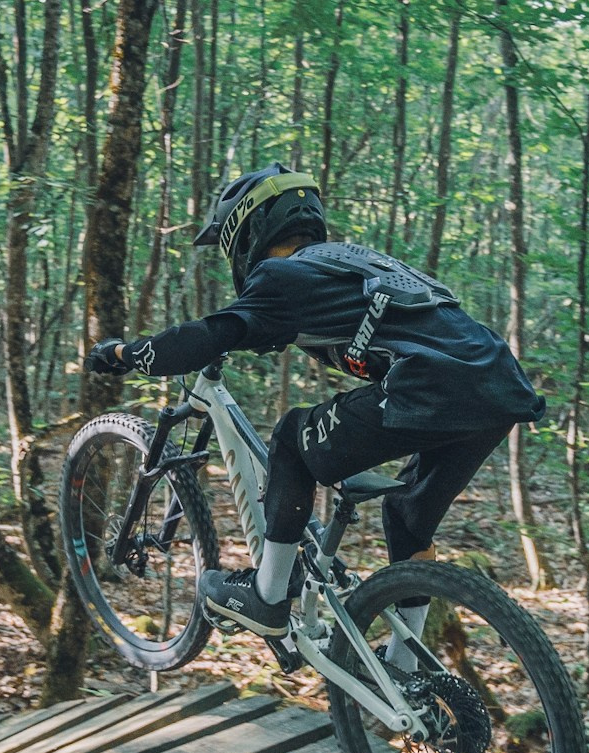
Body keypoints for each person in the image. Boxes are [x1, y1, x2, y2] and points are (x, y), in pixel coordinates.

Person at [85, 163, 543, 656]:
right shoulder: (360, 263)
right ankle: (407, 664)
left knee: (290, 440)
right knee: (408, 514)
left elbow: (212, 335)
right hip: (499, 386)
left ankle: (267, 598)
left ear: (247, 230)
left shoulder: (283, 274)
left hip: (429, 387)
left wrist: (125, 353)